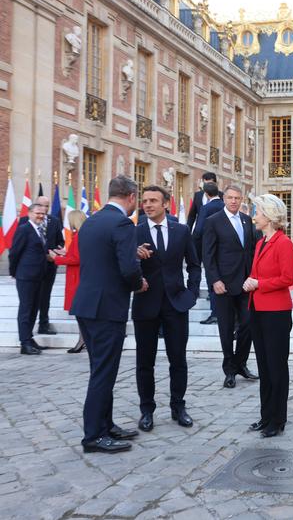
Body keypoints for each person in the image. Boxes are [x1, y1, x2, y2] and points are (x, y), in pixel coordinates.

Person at [70, 175, 145, 454]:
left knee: (100, 369)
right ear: (132, 197)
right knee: (103, 372)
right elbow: (127, 267)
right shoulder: (122, 223)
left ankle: (106, 424)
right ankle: (94, 436)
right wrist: (139, 283)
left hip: (86, 305)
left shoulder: (91, 221)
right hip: (106, 308)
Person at [132, 186, 201, 432]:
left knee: (178, 360)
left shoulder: (182, 231)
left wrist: (192, 294)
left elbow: (194, 265)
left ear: (166, 204)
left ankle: (178, 407)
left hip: (176, 304)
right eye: (145, 200)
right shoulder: (134, 231)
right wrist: (135, 257)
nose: (148, 204)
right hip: (145, 304)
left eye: (153, 201)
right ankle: (146, 410)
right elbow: (122, 264)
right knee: (144, 362)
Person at [245, 194, 293, 437]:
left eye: (257, 212)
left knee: (276, 367)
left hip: (276, 313)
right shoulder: (260, 243)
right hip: (257, 310)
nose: (254, 216)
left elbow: (288, 278)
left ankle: (278, 419)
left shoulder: (284, 243)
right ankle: (266, 417)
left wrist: (258, 283)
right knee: (264, 368)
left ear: (268, 215)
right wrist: (251, 282)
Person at [203, 185, 259, 388]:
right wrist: (214, 280)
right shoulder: (213, 221)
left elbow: (251, 250)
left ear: (241, 199)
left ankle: (241, 363)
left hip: (245, 284)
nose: (234, 201)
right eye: (230, 198)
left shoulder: (246, 220)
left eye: (237, 198)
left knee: (248, 324)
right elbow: (207, 255)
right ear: (223, 199)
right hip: (223, 285)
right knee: (226, 329)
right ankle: (229, 370)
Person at [9, 203, 51, 355]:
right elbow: (14, 253)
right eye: (38, 213)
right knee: (26, 309)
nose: (41, 216)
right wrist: (14, 271)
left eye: (43, 213)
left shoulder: (40, 230)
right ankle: (24, 343)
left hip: (39, 276)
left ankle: (29, 338)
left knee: (34, 308)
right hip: (26, 276)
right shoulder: (24, 230)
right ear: (29, 213)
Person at [19, 195, 64, 335]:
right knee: (30, 300)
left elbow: (60, 241)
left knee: (46, 296)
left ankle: (43, 324)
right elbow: (19, 246)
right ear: (34, 205)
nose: (44, 209)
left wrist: (57, 251)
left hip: (49, 266)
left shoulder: (55, 221)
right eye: (41, 205)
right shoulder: (24, 221)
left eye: (47, 206)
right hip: (32, 268)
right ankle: (27, 332)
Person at [51, 210, 88, 353]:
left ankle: (82, 340)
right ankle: (82, 340)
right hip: (77, 276)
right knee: (80, 312)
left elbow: (77, 259)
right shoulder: (81, 235)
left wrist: (57, 258)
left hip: (77, 277)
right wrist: (65, 253)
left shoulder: (79, 236)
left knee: (80, 312)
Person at [193, 182, 224, 325]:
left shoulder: (206, 208)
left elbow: (198, 230)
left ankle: (215, 313)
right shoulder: (225, 206)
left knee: (212, 278)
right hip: (224, 249)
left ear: (206, 194)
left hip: (209, 248)